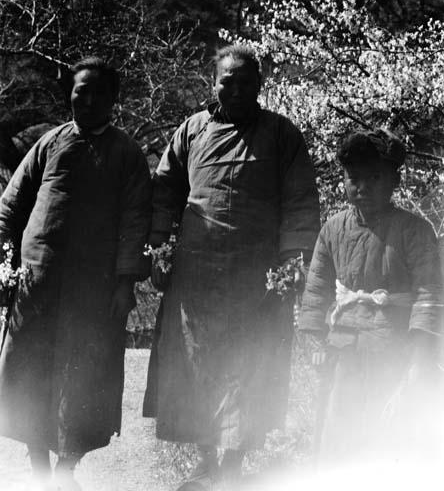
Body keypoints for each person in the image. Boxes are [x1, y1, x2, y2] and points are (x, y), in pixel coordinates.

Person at [143, 44, 320, 489]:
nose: (236, 90)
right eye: (228, 81)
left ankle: (235, 467)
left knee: (249, 365)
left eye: (246, 82)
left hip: (256, 274)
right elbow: (164, 191)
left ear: (260, 86)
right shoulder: (191, 130)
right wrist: (160, 248)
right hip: (197, 273)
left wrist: (292, 261)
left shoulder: (282, 134)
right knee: (197, 361)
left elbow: (300, 202)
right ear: (214, 82)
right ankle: (206, 463)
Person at [0, 57, 151, 490]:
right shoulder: (49, 143)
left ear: (113, 101)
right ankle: (38, 469)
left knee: (84, 377)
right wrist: (5, 262)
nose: (86, 100)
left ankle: (66, 468)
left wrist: (124, 284)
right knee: (28, 369)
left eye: (98, 93)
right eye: (80, 90)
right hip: (38, 280)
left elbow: (135, 222)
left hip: (93, 290)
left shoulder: (126, 154)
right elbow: (10, 206)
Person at [299, 129, 442, 467]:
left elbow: (429, 294)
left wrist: (420, 360)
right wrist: (316, 342)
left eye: (374, 177)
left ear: (394, 180)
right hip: (343, 351)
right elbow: (317, 290)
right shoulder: (333, 229)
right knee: (339, 434)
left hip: (395, 350)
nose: (362, 187)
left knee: (392, 435)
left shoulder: (414, 230)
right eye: (354, 178)